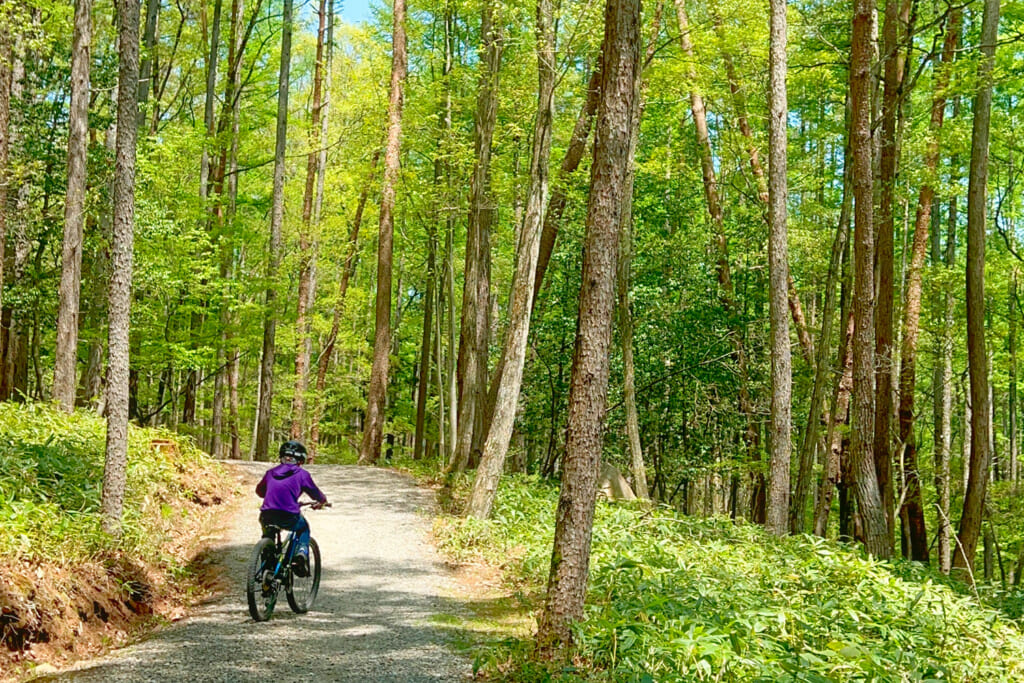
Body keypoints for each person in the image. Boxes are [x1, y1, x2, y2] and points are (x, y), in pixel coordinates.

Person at [256, 440, 328, 577]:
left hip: (267, 514)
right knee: (303, 527)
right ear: (300, 460)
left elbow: (260, 492)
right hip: (288, 515)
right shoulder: (302, 474)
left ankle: (266, 568)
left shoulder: (270, 473)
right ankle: (301, 554)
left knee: (268, 533)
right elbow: (315, 493)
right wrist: (323, 501)